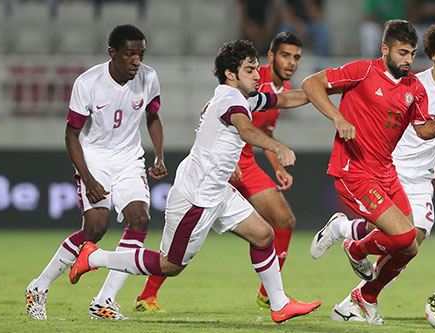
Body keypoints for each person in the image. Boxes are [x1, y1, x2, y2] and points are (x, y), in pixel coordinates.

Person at [68, 39, 321, 324]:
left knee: (263, 235)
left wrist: (328, 87)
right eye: (250, 70)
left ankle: (279, 304)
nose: (257, 75)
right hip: (197, 197)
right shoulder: (229, 99)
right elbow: (246, 129)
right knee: (169, 265)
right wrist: (278, 147)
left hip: (217, 190)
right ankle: (94, 257)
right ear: (230, 74)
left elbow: (286, 99)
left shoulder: (244, 96)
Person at [310, 20, 435, 324]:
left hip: (420, 176)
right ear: (434, 54)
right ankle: (354, 250)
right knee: (405, 236)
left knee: (410, 245)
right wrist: (337, 118)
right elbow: (316, 85)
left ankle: (360, 291)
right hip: (391, 166)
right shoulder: (410, 79)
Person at [131, 31, 303, 313]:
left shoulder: (269, 92)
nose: (291, 62)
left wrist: (276, 165)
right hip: (226, 166)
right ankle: (145, 291)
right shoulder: (241, 83)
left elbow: (268, 125)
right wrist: (231, 158)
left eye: (296, 57)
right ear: (271, 57)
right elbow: (227, 121)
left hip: (239, 167)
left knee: (279, 222)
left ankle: (272, 297)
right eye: (285, 55)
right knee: (173, 260)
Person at [25, 24, 167, 320]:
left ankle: (104, 300)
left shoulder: (149, 77)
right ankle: (38, 287)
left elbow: (153, 116)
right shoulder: (88, 83)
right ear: (112, 53)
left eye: (140, 54)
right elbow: (71, 135)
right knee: (95, 230)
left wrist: (159, 156)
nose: (137, 61)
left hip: (129, 159)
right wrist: (88, 178)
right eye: (130, 54)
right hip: (96, 160)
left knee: (140, 219)